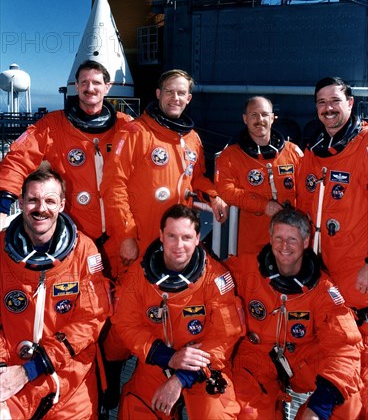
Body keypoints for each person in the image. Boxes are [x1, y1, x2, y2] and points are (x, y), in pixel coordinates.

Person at [103, 204, 244, 419]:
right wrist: (168, 357)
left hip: (204, 367)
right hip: (156, 363)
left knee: (217, 415)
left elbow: (224, 338)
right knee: (136, 411)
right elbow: (126, 324)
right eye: (172, 236)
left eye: (186, 237)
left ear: (197, 238)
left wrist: (181, 378)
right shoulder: (137, 276)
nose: (179, 245)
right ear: (161, 236)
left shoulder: (216, 278)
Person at [228, 208, 363, 419]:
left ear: (306, 241)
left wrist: (320, 405)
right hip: (256, 358)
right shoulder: (245, 271)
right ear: (270, 239)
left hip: (303, 358)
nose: (284, 246)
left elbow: (344, 348)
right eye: (278, 238)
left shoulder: (322, 288)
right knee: (247, 413)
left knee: (347, 399)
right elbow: (208, 280)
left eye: (292, 239)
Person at [0, 167, 111, 419]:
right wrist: (5, 366)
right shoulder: (1, 249)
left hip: (70, 379)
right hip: (13, 371)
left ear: (62, 204)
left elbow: (92, 319)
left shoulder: (84, 250)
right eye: (32, 200)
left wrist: (36, 365)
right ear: (20, 203)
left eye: (50, 200)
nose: (41, 208)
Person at [101, 69, 228, 274]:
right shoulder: (135, 132)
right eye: (169, 91)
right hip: (140, 238)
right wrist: (126, 236)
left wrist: (214, 197)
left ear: (188, 98)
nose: (175, 98)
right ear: (158, 94)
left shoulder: (192, 139)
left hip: (175, 241)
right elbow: (113, 187)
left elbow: (196, 178)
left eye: (180, 93)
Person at [0, 60, 132, 253]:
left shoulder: (126, 126)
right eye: (84, 82)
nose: (90, 88)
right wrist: (3, 205)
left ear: (107, 86)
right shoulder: (52, 126)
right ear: (76, 86)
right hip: (76, 234)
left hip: (120, 233)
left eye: (96, 82)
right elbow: (18, 159)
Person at [297, 76, 368, 417]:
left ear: (350, 103)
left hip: (358, 272)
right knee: (336, 350)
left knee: (360, 355)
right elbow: (301, 201)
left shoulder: (364, 145)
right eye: (321, 102)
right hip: (325, 271)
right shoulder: (315, 152)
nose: (328, 108)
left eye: (335, 101)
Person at [216, 96, 303, 254]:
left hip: (290, 241)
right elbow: (226, 190)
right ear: (245, 119)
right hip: (251, 242)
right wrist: (263, 205)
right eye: (253, 115)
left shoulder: (293, 152)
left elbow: (308, 190)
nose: (259, 119)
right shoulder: (230, 156)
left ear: (272, 118)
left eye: (264, 114)